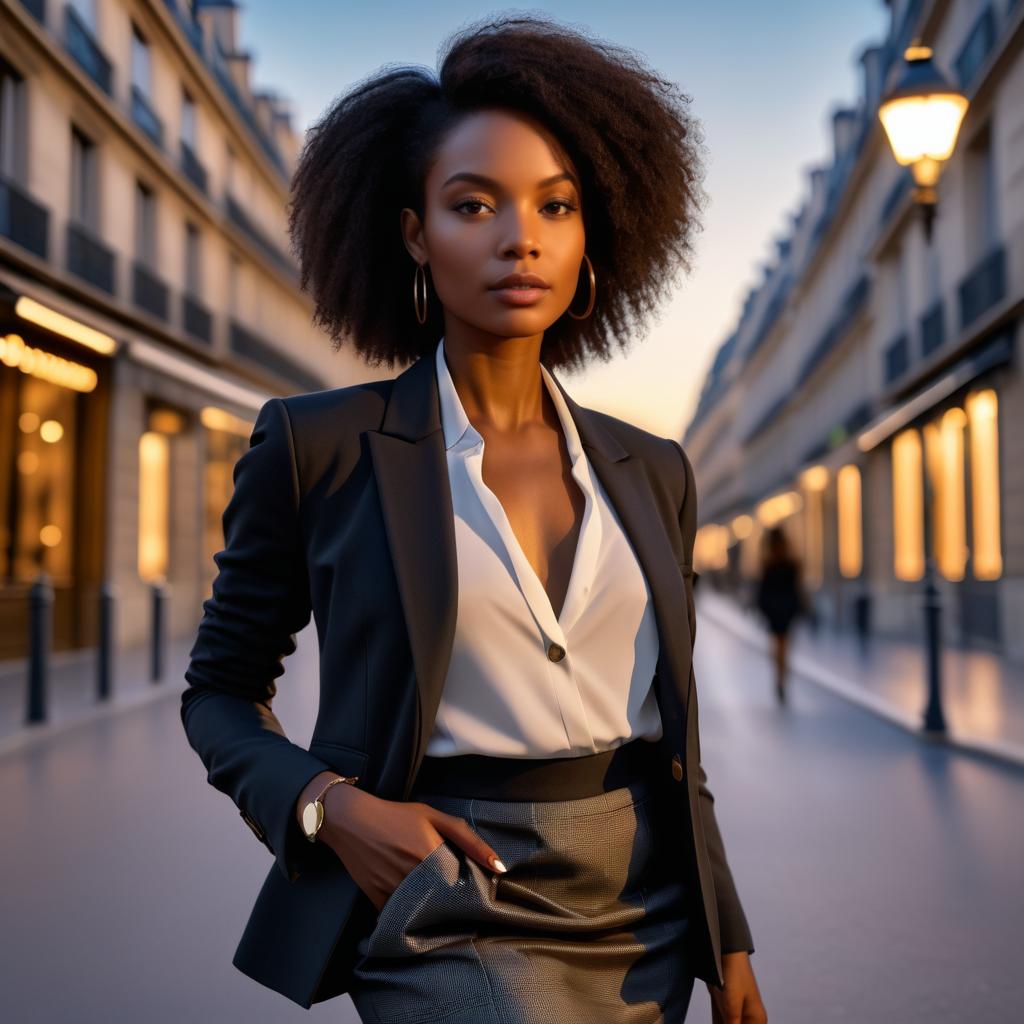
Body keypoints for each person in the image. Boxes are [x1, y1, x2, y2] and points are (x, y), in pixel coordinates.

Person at [181, 13, 766, 1023]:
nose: (519, 236)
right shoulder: (319, 445)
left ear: (594, 234)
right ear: (415, 232)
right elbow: (220, 693)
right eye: (473, 203)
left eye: (556, 204)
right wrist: (331, 807)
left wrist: (732, 937)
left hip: (647, 907)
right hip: (444, 886)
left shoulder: (652, 469)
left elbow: (679, 740)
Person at [755, 526, 806, 705]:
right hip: (785, 610)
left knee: (777, 645)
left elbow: (763, 591)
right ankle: (782, 676)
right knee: (783, 645)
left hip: (775, 611)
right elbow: (797, 589)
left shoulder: (769, 564)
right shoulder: (790, 563)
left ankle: (780, 676)